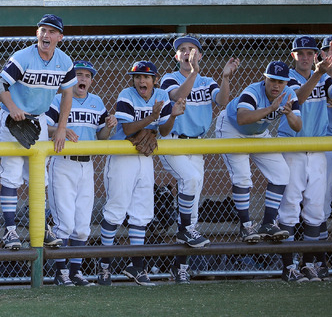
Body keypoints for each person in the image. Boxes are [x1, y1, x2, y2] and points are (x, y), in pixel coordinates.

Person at [159, 35, 240, 284]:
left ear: (201, 54)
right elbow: (176, 96)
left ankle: (180, 267)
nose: (187, 53)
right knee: (190, 179)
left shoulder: (208, 80)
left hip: (197, 145)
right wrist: (192, 72)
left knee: (192, 212)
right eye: (182, 50)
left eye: (192, 49)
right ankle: (184, 234)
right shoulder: (170, 77)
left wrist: (225, 78)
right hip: (172, 140)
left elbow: (223, 101)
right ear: (176, 56)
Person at [97, 61, 185, 287]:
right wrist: (151, 119)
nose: (141, 81)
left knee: (142, 212)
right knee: (116, 211)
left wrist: (172, 115)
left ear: (155, 79)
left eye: (146, 77)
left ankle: (136, 266)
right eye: (137, 77)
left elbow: (164, 131)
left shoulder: (163, 94)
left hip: (144, 157)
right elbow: (127, 130)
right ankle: (104, 266)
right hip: (122, 156)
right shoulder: (126, 94)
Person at [0, 14, 77, 250]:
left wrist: (61, 128)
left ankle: (40, 228)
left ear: (60, 37)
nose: (46, 35)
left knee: (38, 176)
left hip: (39, 120)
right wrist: (12, 108)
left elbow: (68, 94)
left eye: (52, 32)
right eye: (43, 30)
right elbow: (1, 83)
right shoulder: (23, 56)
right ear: (36, 33)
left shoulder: (65, 61)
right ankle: (10, 230)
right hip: (13, 119)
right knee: (11, 174)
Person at [214, 61, 301, 278]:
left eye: (281, 81)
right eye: (272, 80)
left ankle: (268, 223)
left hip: (258, 131)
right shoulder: (252, 91)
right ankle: (246, 226)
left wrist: (289, 113)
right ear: (265, 78)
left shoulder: (289, 93)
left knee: (282, 173)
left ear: (286, 82)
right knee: (243, 177)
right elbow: (243, 118)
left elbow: (297, 126)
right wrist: (272, 108)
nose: (276, 85)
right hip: (232, 128)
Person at [44, 60, 116, 287]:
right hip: (63, 163)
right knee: (64, 222)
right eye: (78, 74)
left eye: (87, 75)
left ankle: (75, 272)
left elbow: (101, 136)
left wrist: (109, 126)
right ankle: (61, 272)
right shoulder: (58, 98)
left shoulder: (96, 102)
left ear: (91, 80)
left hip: (87, 166)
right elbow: (44, 127)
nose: (82, 79)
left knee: (83, 224)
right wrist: (61, 129)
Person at [278, 36, 332, 282]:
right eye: (300, 53)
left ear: (316, 55)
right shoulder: (284, 77)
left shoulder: (325, 77)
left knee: (316, 209)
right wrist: (320, 74)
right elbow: (296, 98)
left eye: (309, 53)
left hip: (318, 148)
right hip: (292, 148)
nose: (305, 57)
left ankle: (310, 263)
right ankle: (289, 266)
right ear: (293, 56)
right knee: (289, 208)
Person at [321, 36, 332, 281]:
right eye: (329, 51)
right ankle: (317, 260)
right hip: (327, 144)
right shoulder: (320, 78)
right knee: (320, 204)